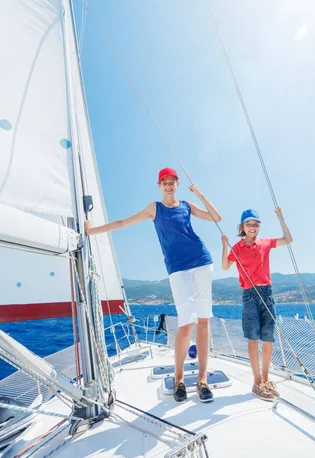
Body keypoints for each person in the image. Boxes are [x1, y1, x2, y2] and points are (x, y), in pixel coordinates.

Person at [85, 167, 221, 404]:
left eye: (172, 182)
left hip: (201, 261)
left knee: (203, 321)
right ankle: (179, 380)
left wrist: (199, 193)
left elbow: (216, 217)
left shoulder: (187, 205)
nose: (168, 185)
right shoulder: (154, 209)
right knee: (186, 325)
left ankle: (202, 381)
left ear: (177, 184)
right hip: (177, 268)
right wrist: (92, 231)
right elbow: (122, 223)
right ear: (159, 185)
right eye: (164, 182)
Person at [221, 207, 292, 400]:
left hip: (266, 293)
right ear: (242, 227)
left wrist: (281, 217)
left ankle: (266, 380)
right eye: (248, 224)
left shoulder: (265, 243)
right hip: (249, 295)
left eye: (255, 224)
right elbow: (226, 266)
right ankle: (256, 381)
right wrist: (225, 245)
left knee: (268, 339)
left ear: (259, 227)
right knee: (253, 339)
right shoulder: (237, 247)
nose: (252, 227)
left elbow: (288, 239)